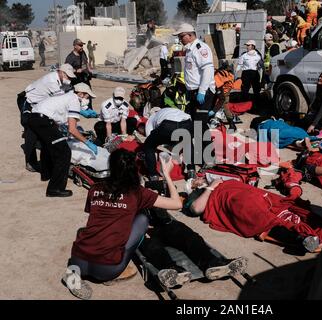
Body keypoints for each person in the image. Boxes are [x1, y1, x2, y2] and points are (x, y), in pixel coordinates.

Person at [62, 149, 183, 300]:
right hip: (107, 269)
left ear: (110, 167)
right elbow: (177, 204)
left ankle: (74, 274)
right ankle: (109, 275)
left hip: (78, 258)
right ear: (134, 168)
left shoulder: (95, 188)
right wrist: (166, 174)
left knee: (86, 231)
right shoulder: (137, 192)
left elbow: (97, 216)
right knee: (143, 218)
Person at [185, 178, 322, 253]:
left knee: (284, 207)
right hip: (233, 201)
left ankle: (311, 230)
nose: (199, 179)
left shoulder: (216, 181)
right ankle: (302, 237)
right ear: (193, 187)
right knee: (261, 217)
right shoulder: (198, 195)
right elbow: (197, 209)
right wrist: (211, 187)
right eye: (195, 181)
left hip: (254, 195)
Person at [139, 207, 248, 288]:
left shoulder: (148, 189)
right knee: (152, 246)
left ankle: (213, 263)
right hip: (140, 230)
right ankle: (173, 271)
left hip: (161, 225)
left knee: (187, 235)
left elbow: (174, 205)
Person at [27, 83, 98, 197]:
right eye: (87, 96)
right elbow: (72, 130)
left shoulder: (68, 96)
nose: (87, 99)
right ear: (80, 93)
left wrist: (81, 112)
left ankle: (46, 174)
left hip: (35, 117)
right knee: (64, 152)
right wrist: (87, 142)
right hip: (43, 120)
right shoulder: (74, 100)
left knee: (48, 146)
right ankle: (55, 188)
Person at [18, 64, 77, 172]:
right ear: (61, 72)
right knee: (30, 133)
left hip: (39, 105)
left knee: (43, 129)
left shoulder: (60, 80)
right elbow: (62, 98)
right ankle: (30, 162)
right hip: (28, 102)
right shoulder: (51, 81)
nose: (69, 79)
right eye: (67, 76)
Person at [172, 23, 216, 165]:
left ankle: (208, 160)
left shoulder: (200, 48)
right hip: (193, 92)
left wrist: (202, 91)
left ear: (190, 35)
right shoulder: (190, 50)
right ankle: (204, 157)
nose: (180, 39)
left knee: (199, 127)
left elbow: (208, 70)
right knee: (198, 126)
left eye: (181, 36)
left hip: (201, 92)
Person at [144, 107, 196, 180]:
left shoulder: (151, 118)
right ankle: (191, 170)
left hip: (169, 125)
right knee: (188, 143)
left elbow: (150, 139)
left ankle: (153, 175)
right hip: (187, 122)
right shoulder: (170, 110)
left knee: (149, 146)